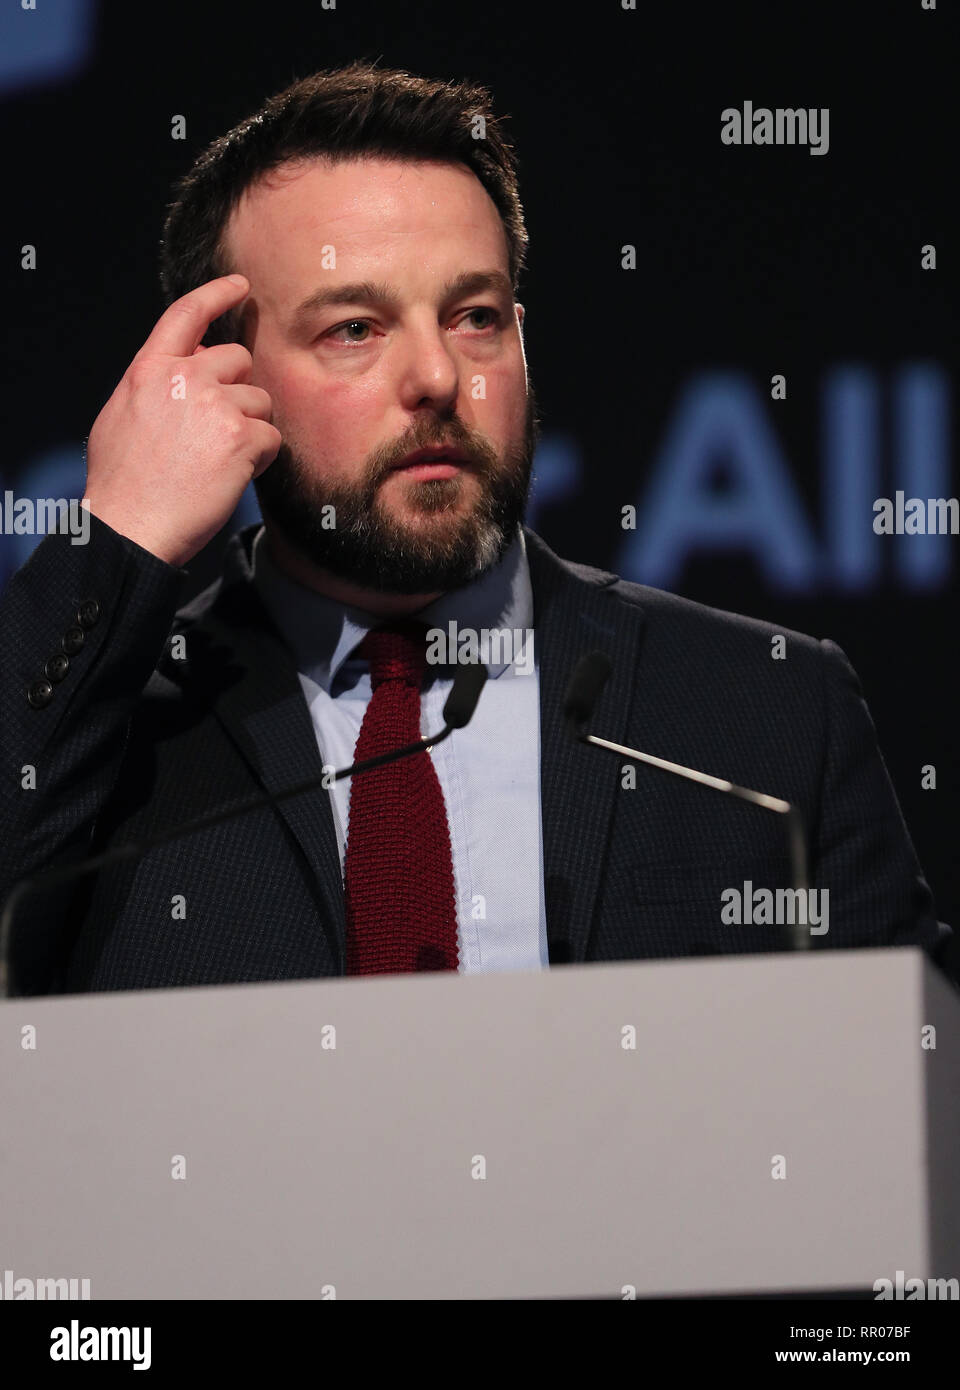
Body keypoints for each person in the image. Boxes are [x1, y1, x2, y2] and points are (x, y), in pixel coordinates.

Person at [0, 62, 948, 995]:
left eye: (474, 317)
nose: (440, 378)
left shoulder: (767, 721)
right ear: (225, 382)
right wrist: (115, 536)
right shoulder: (116, 734)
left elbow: (910, 1101)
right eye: (355, 329)